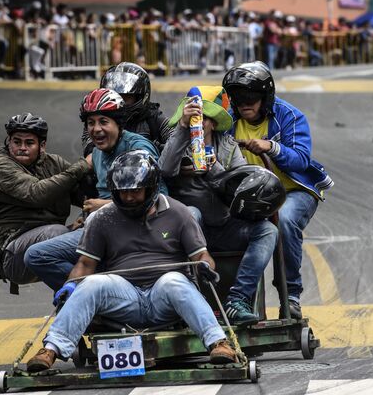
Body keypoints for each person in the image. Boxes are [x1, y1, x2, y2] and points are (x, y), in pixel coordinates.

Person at [26, 150, 236, 372]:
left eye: (135, 191)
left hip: (164, 297)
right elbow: (85, 265)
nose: (128, 198)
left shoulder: (178, 212)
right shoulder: (103, 217)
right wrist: (70, 285)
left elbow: (201, 256)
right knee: (91, 283)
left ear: (151, 188)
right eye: (122, 192)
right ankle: (51, 349)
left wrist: (206, 267)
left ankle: (218, 343)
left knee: (174, 280)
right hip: (124, 298)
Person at [159, 86, 281, 326]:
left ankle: (237, 300)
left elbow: (240, 187)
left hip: (224, 224)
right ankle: (189, 300)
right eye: (193, 118)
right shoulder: (177, 139)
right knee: (190, 213)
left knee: (268, 230)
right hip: (187, 232)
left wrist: (212, 168)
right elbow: (164, 169)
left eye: (202, 119)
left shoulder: (227, 145)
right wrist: (183, 130)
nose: (198, 124)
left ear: (213, 123)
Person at [24, 88, 167, 291]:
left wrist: (105, 205)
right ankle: (97, 296)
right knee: (36, 255)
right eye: (91, 123)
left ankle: (98, 293)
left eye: (103, 122)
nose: (96, 129)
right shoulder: (98, 151)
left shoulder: (138, 149)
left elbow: (160, 199)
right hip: (102, 226)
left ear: (119, 123)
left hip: (136, 229)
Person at [222, 61, 334, 319]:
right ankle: (237, 302)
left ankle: (291, 295)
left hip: (293, 191)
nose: (244, 103)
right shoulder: (227, 119)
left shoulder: (290, 116)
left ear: (265, 96)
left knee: (283, 221)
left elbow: (301, 160)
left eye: (251, 97)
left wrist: (272, 147)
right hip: (247, 196)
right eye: (238, 97)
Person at [0, 112, 92, 294]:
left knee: (94, 231)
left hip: (45, 241)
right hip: (7, 251)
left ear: (42, 145)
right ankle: (88, 293)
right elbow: (37, 193)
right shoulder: (1, 166)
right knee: (58, 233)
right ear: (9, 142)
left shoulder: (54, 163)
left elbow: (85, 195)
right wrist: (82, 165)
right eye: (17, 142)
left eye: (29, 143)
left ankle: (77, 299)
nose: (22, 148)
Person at [81, 62, 172, 156]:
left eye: (124, 97)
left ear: (140, 97)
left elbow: (175, 138)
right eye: (114, 97)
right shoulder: (96, 117)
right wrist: (92, 155)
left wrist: (155, 147)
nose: (118, 102)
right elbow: (89, 148)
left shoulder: (153, 116)